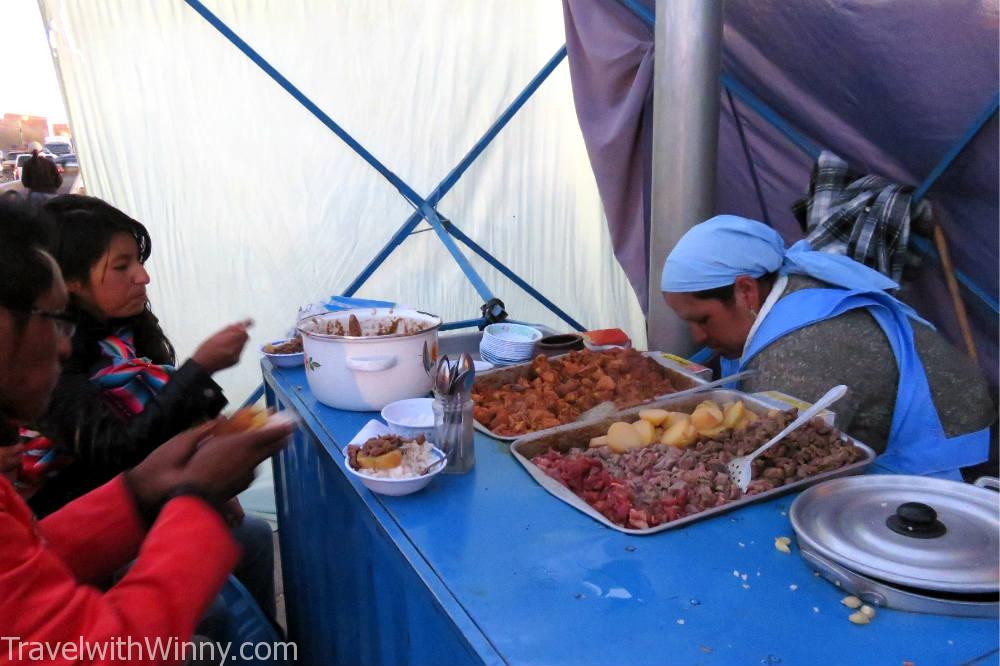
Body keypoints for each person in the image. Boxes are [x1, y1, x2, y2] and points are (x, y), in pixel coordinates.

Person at [0, 198, 292, 665]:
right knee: (212, 614)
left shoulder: (132, 334)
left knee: (254, 538)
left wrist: (139, 492)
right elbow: (99, 650)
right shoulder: (74, 371)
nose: (62, 344)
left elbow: (36, 553)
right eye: (53, 321)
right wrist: (194, 501)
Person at [660, 215, 994, 480]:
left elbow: (779, 465)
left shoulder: (797, 353)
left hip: (956, 461)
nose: (698, 337)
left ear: (745, 290)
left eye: (703, 320)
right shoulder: (783, 286)